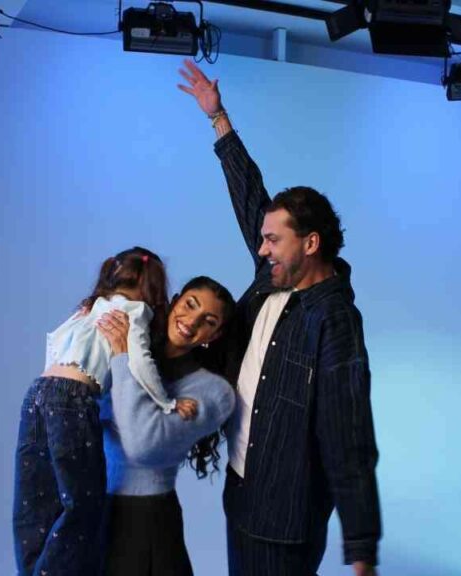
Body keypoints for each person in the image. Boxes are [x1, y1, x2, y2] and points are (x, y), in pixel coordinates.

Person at [177, 60, 383, 576]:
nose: (262, 247)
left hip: (286, 521)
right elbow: (249, 194)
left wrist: (361, 547)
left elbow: (349, 436)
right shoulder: (273, 274)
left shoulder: (335, 322)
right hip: (242, 495)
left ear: (310, 244)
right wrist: (218, 117)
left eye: (273, 240)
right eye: (263, 239)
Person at [12, 247, 198, 576]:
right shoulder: (135, 312)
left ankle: (30, 570)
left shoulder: (89, 307)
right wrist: (166, 402)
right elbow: (138, 362)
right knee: (82, 503)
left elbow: (53, 341)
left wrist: (52, 387)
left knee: (36, 500)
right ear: (153, 288)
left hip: (38, 392)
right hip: (74, 397)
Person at [96, 275, 238, 576]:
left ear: (214, 335)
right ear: (174, 302)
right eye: (189, 304)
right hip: (95, 509)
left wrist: (122, 357)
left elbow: (142, 444)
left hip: (147, 522)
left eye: (208, 321)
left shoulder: (214, 393)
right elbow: (83, 407)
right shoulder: (133, 342)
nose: (192, 321)